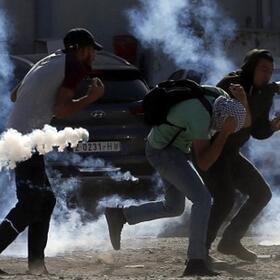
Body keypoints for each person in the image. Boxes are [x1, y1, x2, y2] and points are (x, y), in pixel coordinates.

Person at [0, 28, 106, 276]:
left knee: (45, 200)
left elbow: (14, 95)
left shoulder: (48, 60)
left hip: (20, 137)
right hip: (26, 140)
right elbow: (61, 110)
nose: (93, 55)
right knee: (30, 204)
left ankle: (37, 266)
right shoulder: (73, 65)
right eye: (91, 50)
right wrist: (91, 97)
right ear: (80, 49)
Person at [104, 82, 250, 276]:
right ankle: (196, 261)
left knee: (174, 207)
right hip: (163, 151)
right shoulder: (200, 117)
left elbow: (245, 122)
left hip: (174, 149)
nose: (225, 129)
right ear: (222, 117)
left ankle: (120, 216)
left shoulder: (221, 99)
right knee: (202, 199)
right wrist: (224, 133)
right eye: (225, 126)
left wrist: (242, 101)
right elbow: (204, 162)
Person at [203, 49, 280, 263]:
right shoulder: (231, 84)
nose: (267, 75)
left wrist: (273, 126)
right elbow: (242, 118)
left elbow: (257, 130)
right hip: (213, 150)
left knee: (261, 194)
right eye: (263, 69)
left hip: (231, 153)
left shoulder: (264, 92)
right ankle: (199, 251)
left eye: (271, 71)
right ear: (251, 68)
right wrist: (272, 89)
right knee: (224, 200)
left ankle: (230, 241)